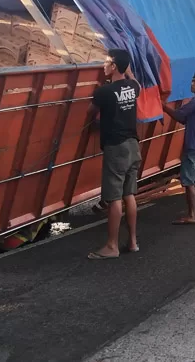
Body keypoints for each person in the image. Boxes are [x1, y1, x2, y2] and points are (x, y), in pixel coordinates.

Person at [87, 49, 142, 260]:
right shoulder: (133, 87)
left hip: (116, 148)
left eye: (107, 62)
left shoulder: (104, 92)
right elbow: (134, 80)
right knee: (130, 195)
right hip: (133, 146)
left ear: (114, 66)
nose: (103, 65)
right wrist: (128, 70)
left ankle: (112, 246)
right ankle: (133, 241)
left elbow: (89, 112)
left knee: (114, 198)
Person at [162, 72, 195, 224]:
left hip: (193, 145)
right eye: (191, 81)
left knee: (188, 180)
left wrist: (163, 106)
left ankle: (191, 215)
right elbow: (187, 120)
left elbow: (180, 116)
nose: (191, 84)